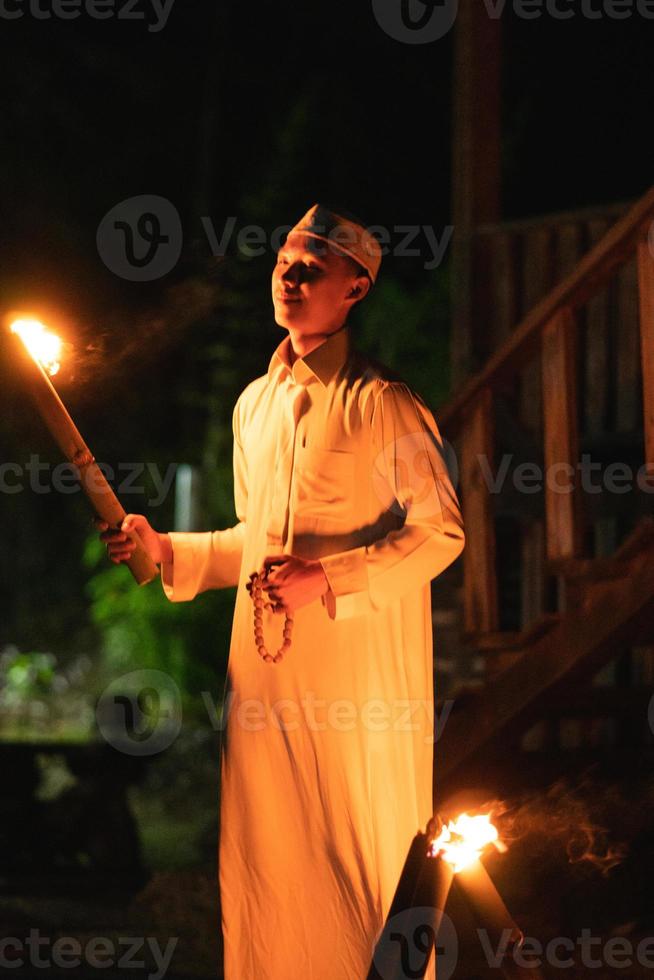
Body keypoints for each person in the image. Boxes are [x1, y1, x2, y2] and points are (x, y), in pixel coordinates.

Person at [98, 203, 465, 979]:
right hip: (262, 679)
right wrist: (167, 550)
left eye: (310, 269)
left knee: (355, 852)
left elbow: (440, 533)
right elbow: (253, 539)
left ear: (355, 289)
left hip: (353, 685)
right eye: (282, 265)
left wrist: (328, 578)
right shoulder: (253, 406)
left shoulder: (382, 403)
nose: (289, 279)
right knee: (266, 861)